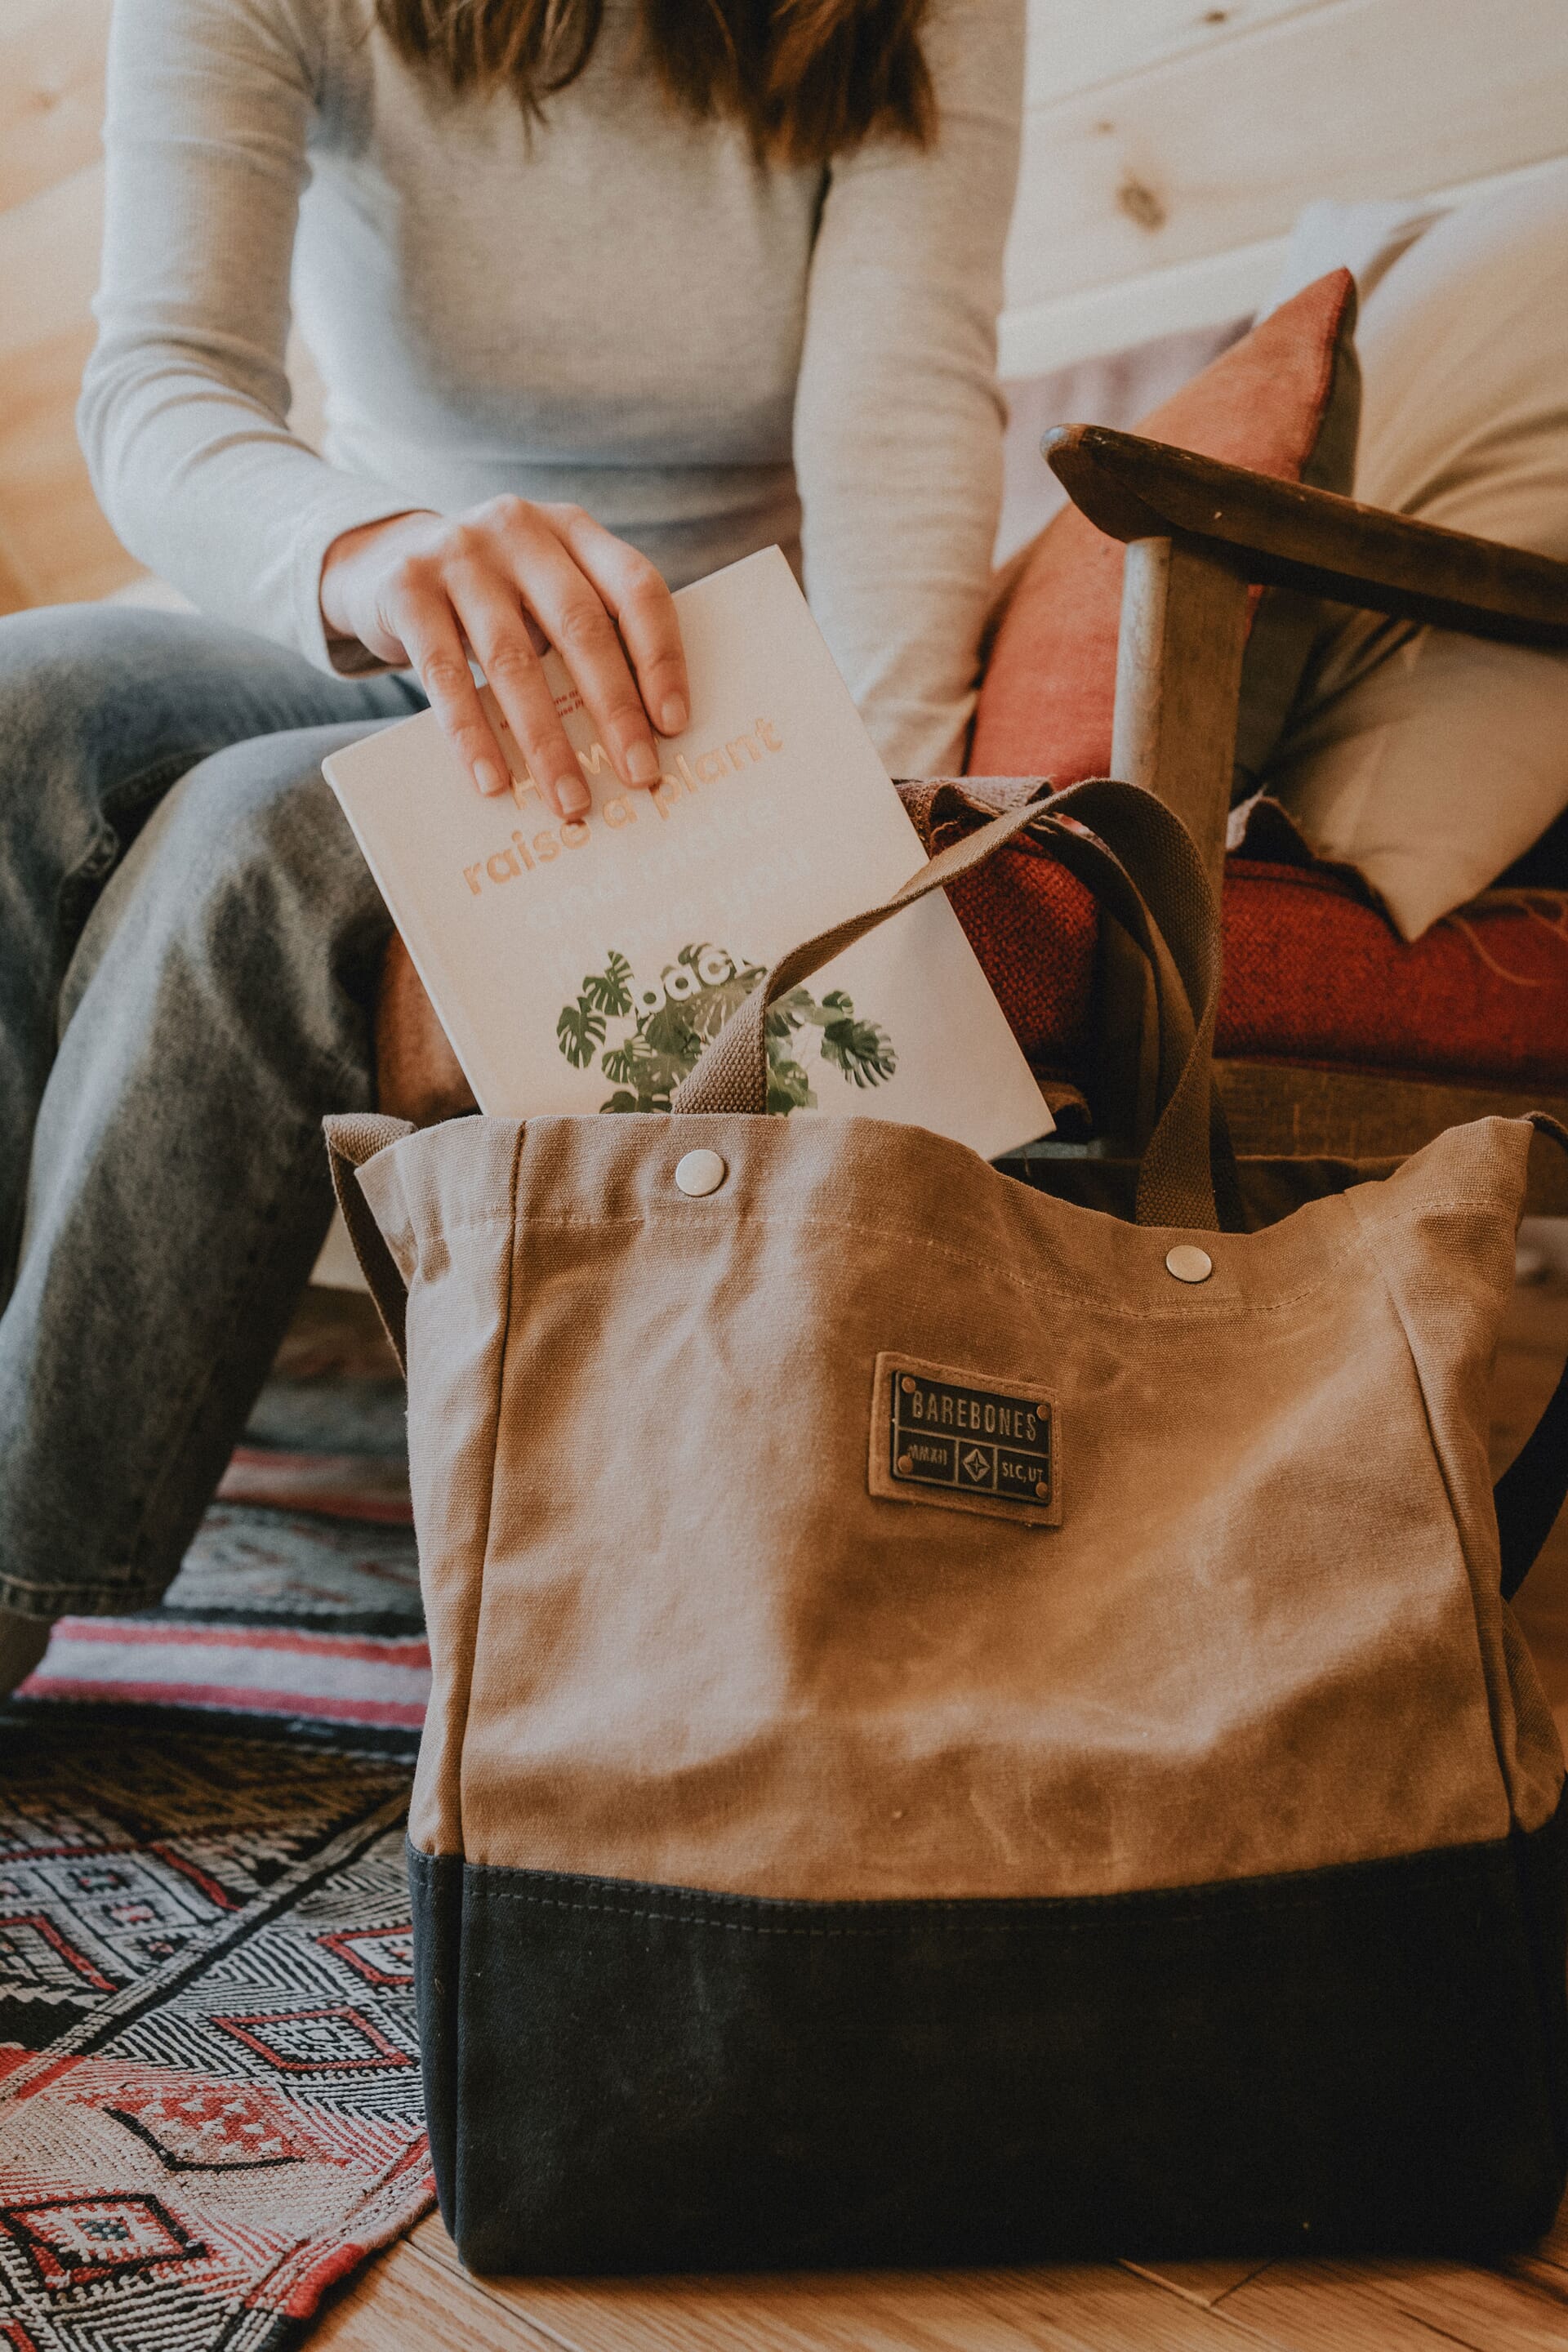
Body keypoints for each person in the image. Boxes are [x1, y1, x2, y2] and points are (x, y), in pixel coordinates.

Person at [0, 0, 1022, 1686]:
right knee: (27, 697)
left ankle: (22, 1554)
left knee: (266, 833)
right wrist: (370, 551)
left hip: (687, 712)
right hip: (370, 621)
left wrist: (874, 846)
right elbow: (163, 382)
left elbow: (901, 413)